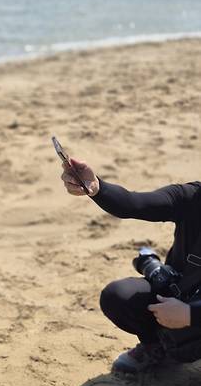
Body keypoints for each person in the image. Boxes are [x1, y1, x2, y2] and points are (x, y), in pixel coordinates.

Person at [61, 158, 201, 373]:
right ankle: (156, 347)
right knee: (120, 296)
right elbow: (133, 204)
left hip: (191, 312)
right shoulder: (193, 197)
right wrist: (97, 188)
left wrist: (190, 314)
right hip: (177, 298)